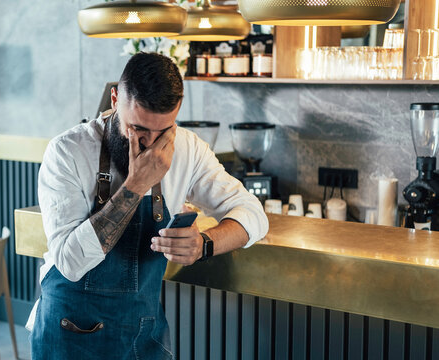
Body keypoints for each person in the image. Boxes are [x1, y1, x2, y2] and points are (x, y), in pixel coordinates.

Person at [29, 52, 269, 359]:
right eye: (138, 129)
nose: (150, 144)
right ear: (115, 99)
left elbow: (253, 215)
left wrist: (204, 245)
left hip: (143, 336)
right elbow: (70, 263)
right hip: (69, 334)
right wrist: (136, 185)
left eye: (163, 131)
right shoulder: (67, 151)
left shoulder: (187, 148)